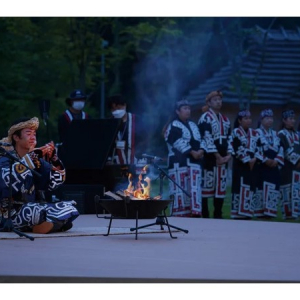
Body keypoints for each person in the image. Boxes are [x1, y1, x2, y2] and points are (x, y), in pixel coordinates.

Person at [0, 117, 79, 233]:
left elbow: (53, 184)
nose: (33, 138)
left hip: (31, 206)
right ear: (16, 137)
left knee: (68, 207)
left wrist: (54, 159)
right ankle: (56, 224)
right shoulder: (5, 159)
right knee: (35, 211)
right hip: (8, 213)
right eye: (28, 134)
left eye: (34, 134)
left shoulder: (36, 161)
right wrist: (30, 159)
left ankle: (46, 225)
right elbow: (6, 183)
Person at [164, 98, 205, 217]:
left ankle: (195, 212)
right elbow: (176, 141)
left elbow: (201, 139)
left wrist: (201, 150)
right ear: (177, 111)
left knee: (194, 189)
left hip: (194, 164)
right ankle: (179, 214)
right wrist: (192, 152)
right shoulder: (173, 126)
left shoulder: (193, 125)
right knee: (180, 190)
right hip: (178, 164)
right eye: (185, 108)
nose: (188, 111)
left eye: (189, 108)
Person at [197, 90, 232, 219]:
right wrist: (217, 156)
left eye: (219, 99)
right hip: (209, 159)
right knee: (206, 188)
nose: (218, 102)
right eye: (215, 100)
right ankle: (205, 215)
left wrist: (228, 155)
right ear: (209, 102)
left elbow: (230, 138)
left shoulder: (226, 120)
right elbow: (206, 138)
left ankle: (218, 214)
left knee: (220, 188)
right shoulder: (205, 117)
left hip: (223, 160)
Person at [230, 109, 262, 219]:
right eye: (246, 118)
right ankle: (237, 214)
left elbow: (260, 147)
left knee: (250, 187)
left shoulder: (255, 133)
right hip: (240, 165)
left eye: (250, 118)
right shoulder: (235, 132)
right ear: (239, 120)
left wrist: (254, 159)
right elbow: (235, 147)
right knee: (239, 187)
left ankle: (248, 213)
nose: (249, 120)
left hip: (253, 167)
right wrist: (248, 159)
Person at [254, 109, 284, 218]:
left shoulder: (275, 134)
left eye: (271, 118)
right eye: (267, 118)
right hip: (262, 166)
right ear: (261, 120)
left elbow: (281, 148)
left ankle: (270, 212)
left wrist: (276, 160)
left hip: (274, 167)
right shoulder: (256, 133)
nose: (269, 120)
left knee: (273, 188)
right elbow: (255, 148)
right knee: (261, 188)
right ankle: (260, 213)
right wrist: (265, 159)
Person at [278, 109, 300, 219]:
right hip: (287, 167)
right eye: (290, 119)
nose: (293, 121)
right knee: (286, 190)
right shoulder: (281, 134)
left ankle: (296, 214)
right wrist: (297, 160)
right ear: (284, 120)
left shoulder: (297, 134)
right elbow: (286, 150)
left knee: (296, 191)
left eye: (294, 118)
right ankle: (287, 214)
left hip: (297, 169)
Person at [57, 89, 89, 157]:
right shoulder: (63, 117)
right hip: (68, 152)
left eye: (81, 100)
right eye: (77, 100)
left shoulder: (87, 117)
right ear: (71, 101)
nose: (79, 102)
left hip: (85, 151)